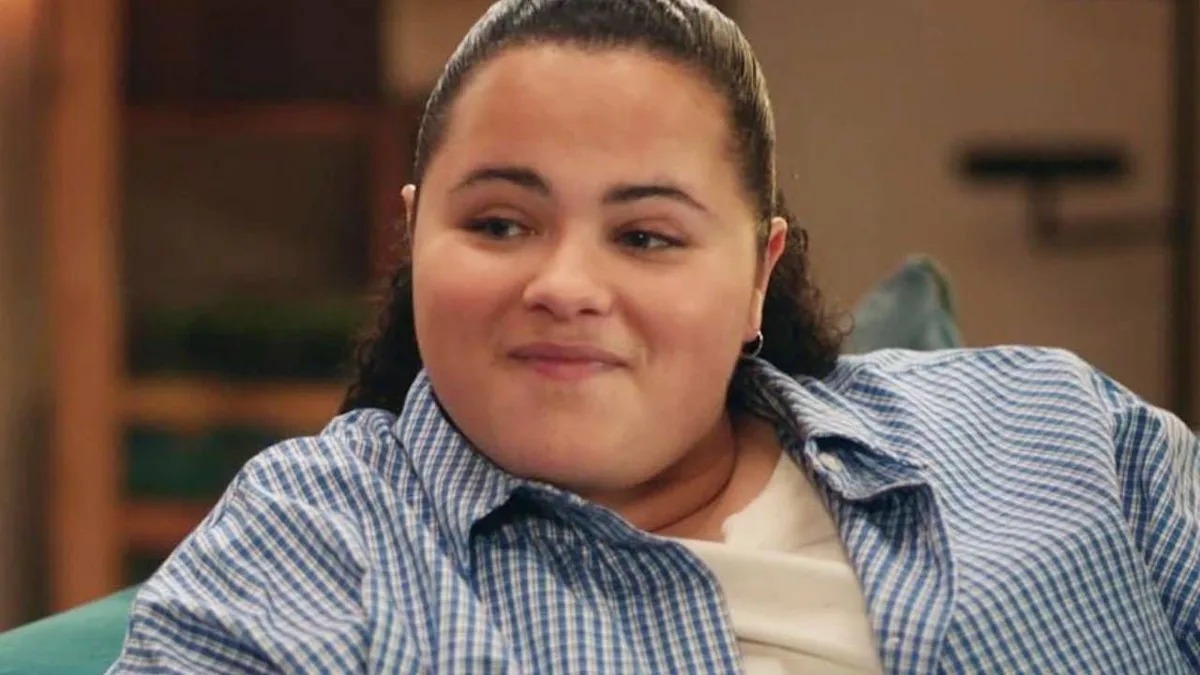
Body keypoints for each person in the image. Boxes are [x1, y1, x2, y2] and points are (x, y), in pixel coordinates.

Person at [109, 1, 1200, 673]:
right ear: (413, 236)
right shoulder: (312, 544)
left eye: (646, 236)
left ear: (757, 275)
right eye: (499, 223)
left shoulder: (1058, 431)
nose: (564, 286)